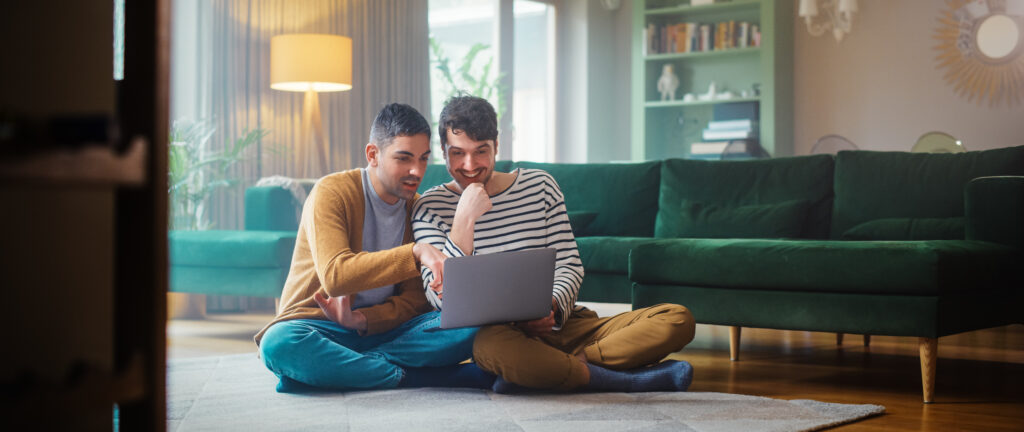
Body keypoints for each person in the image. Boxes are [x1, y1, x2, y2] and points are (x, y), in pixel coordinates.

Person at [412, 95, 697, 393]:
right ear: (443, 152)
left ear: (496, 146)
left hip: (564, 325)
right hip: (499, 336)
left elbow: (569, 265)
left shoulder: (540, 186)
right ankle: (617, 378)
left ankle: (557, 369)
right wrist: (463, 221)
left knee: (677, 319)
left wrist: (553, 306)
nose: (469, 165)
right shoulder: (429, 207)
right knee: (489, 347)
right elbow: (442, 301)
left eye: (480, 151)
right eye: (457, 153)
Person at [256, 103, 495, 393]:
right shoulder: (332, 192)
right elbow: (335, 275)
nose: (416, 170)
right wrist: (415, 252)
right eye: (403, 158)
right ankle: (423, 378)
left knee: (474, 323)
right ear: (373, 155)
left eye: (422, 159)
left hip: (387, 333)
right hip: (320, 328)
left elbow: (414, 302)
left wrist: (362, 319)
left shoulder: (417, 207)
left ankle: (342, 370)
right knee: (279, 343)